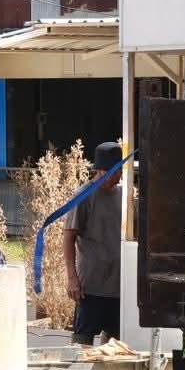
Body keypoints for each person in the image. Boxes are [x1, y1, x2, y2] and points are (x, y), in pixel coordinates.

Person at [62, 141, 124, 346]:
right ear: (102, 171)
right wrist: (72, 278)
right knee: (82, 343)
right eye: (115, 172)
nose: (119, 176)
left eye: (121, 171)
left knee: (115, 344)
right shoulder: (84, 195)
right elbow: (68, 237)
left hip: (119, 285)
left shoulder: (124, 195)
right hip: (91, 286)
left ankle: (110, 369)